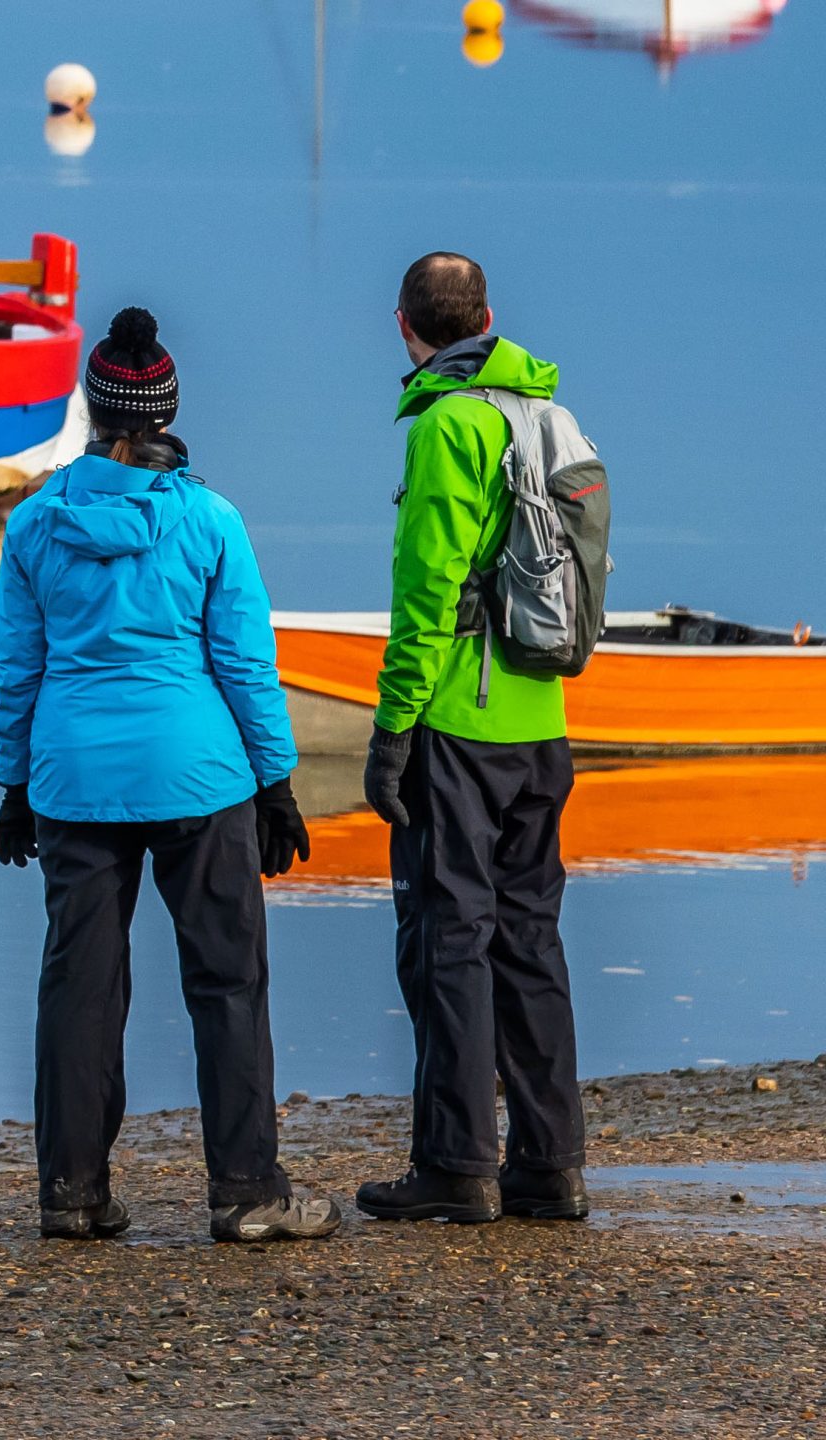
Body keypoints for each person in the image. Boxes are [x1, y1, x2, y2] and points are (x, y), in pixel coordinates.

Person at [0, 306, 339, 1244]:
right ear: (168, 409)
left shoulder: (33, 525)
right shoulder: (209, 519)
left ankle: (72, 1193)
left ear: (96, 412)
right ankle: (248, 1194)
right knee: (228, 982)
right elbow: (245, 665)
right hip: (200, 776)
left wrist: (12, 784)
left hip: (73, 779)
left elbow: (18, 667)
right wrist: (276, 783)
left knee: (80, 986)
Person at [355, 254, 588, 1224]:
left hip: (459, 716)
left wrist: (391, 725)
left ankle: (456, 1164)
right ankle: (550, 1164)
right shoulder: (550, 415)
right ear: (488, 316)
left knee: (448, 942)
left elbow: (426, 594)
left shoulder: (448, 424)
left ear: (403, 327)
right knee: (529, 941)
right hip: (544, 720)